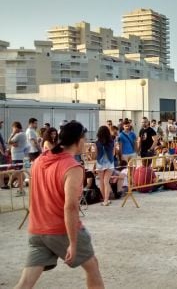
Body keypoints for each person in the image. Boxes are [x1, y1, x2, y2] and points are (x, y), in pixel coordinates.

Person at [14, 121, 104, 289]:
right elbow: (70, 207)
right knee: (93, 269)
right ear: (78, 140)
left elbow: (33, 196)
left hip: (37, 230)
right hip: (59, 230)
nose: (86, 143)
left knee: (25, 283)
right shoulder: (73, 167)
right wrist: (74, 242)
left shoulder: (39, 160)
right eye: (84, 138)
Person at [95, 126, 115, 206]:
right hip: (110, 162)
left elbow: (95, 154)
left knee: (101, 182)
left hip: (100, 163)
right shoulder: (112, 141)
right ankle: (106, 200)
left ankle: (105, 200)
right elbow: (113, 153)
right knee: (106, 181)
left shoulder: (96, 143)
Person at [8, 121, 27, 196]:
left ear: (15, 128)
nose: (12, 130)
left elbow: (9, 141)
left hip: (17, 157)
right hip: (18, 156)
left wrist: (13, 133)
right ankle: (13, 184)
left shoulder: (19, 135)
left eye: (13, 128)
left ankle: (21, 189)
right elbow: (12, 143)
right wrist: (12, 144)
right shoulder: (22, 134)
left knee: (18, 172)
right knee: (18, 172)